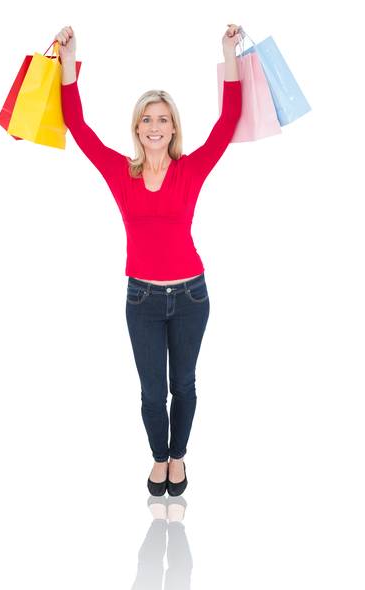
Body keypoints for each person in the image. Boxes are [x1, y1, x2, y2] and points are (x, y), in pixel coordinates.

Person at [55, 25, 245, 496]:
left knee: (184, 384)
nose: (155, 127)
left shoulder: (191, 169)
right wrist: (69, 60)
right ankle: (157, 457)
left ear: (174, 127)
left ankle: (177, 458)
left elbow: (229, 121)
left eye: (163, 119)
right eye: (147, 120)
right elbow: (77, 127)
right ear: (137, 128)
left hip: (190, 295)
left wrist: (228, 53)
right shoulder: (121, 171)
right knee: (150, 392)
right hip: (140, 297)